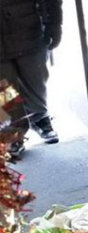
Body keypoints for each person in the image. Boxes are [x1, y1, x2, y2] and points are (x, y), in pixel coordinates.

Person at [0, 0, 62, 149]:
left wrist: (54, 23)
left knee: (36, 79)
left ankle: (40, 117)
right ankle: (14, 130)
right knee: (4, 87)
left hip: (28, 29)